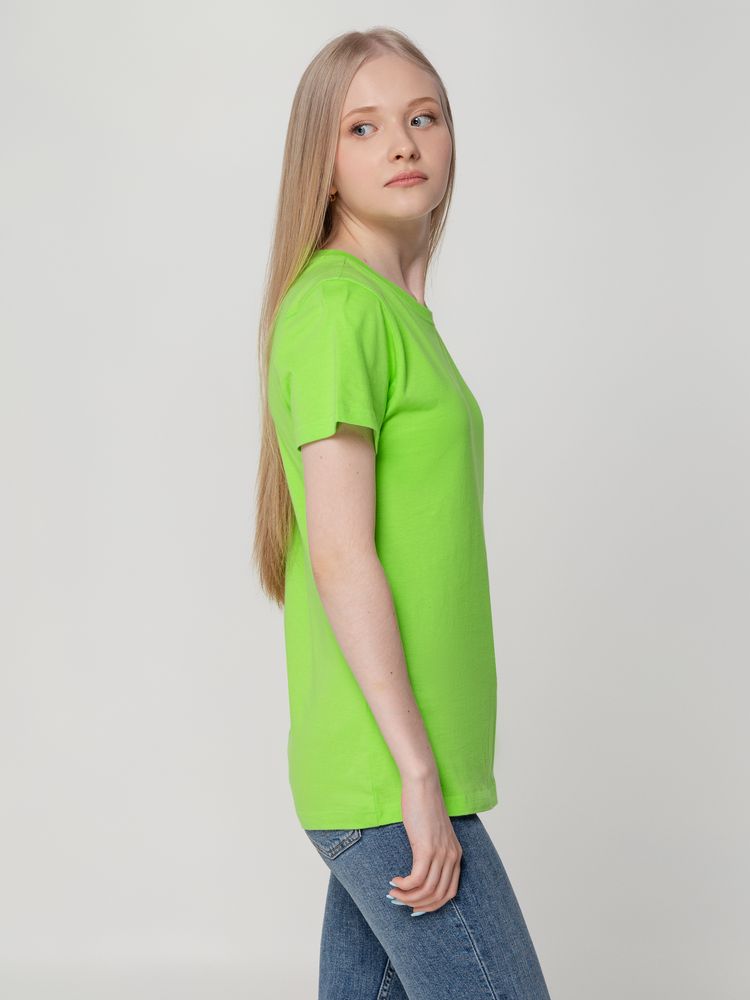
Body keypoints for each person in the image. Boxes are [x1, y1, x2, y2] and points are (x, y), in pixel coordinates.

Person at [253, 26, 553, 1000]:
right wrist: (418, 777)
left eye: (424, 118)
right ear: (323, 160)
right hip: (388, 776)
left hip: (392, 776)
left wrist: (413, 275)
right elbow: (341, 555)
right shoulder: (340, 309)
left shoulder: (387, 310)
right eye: (364, 127)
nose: (402, 143)